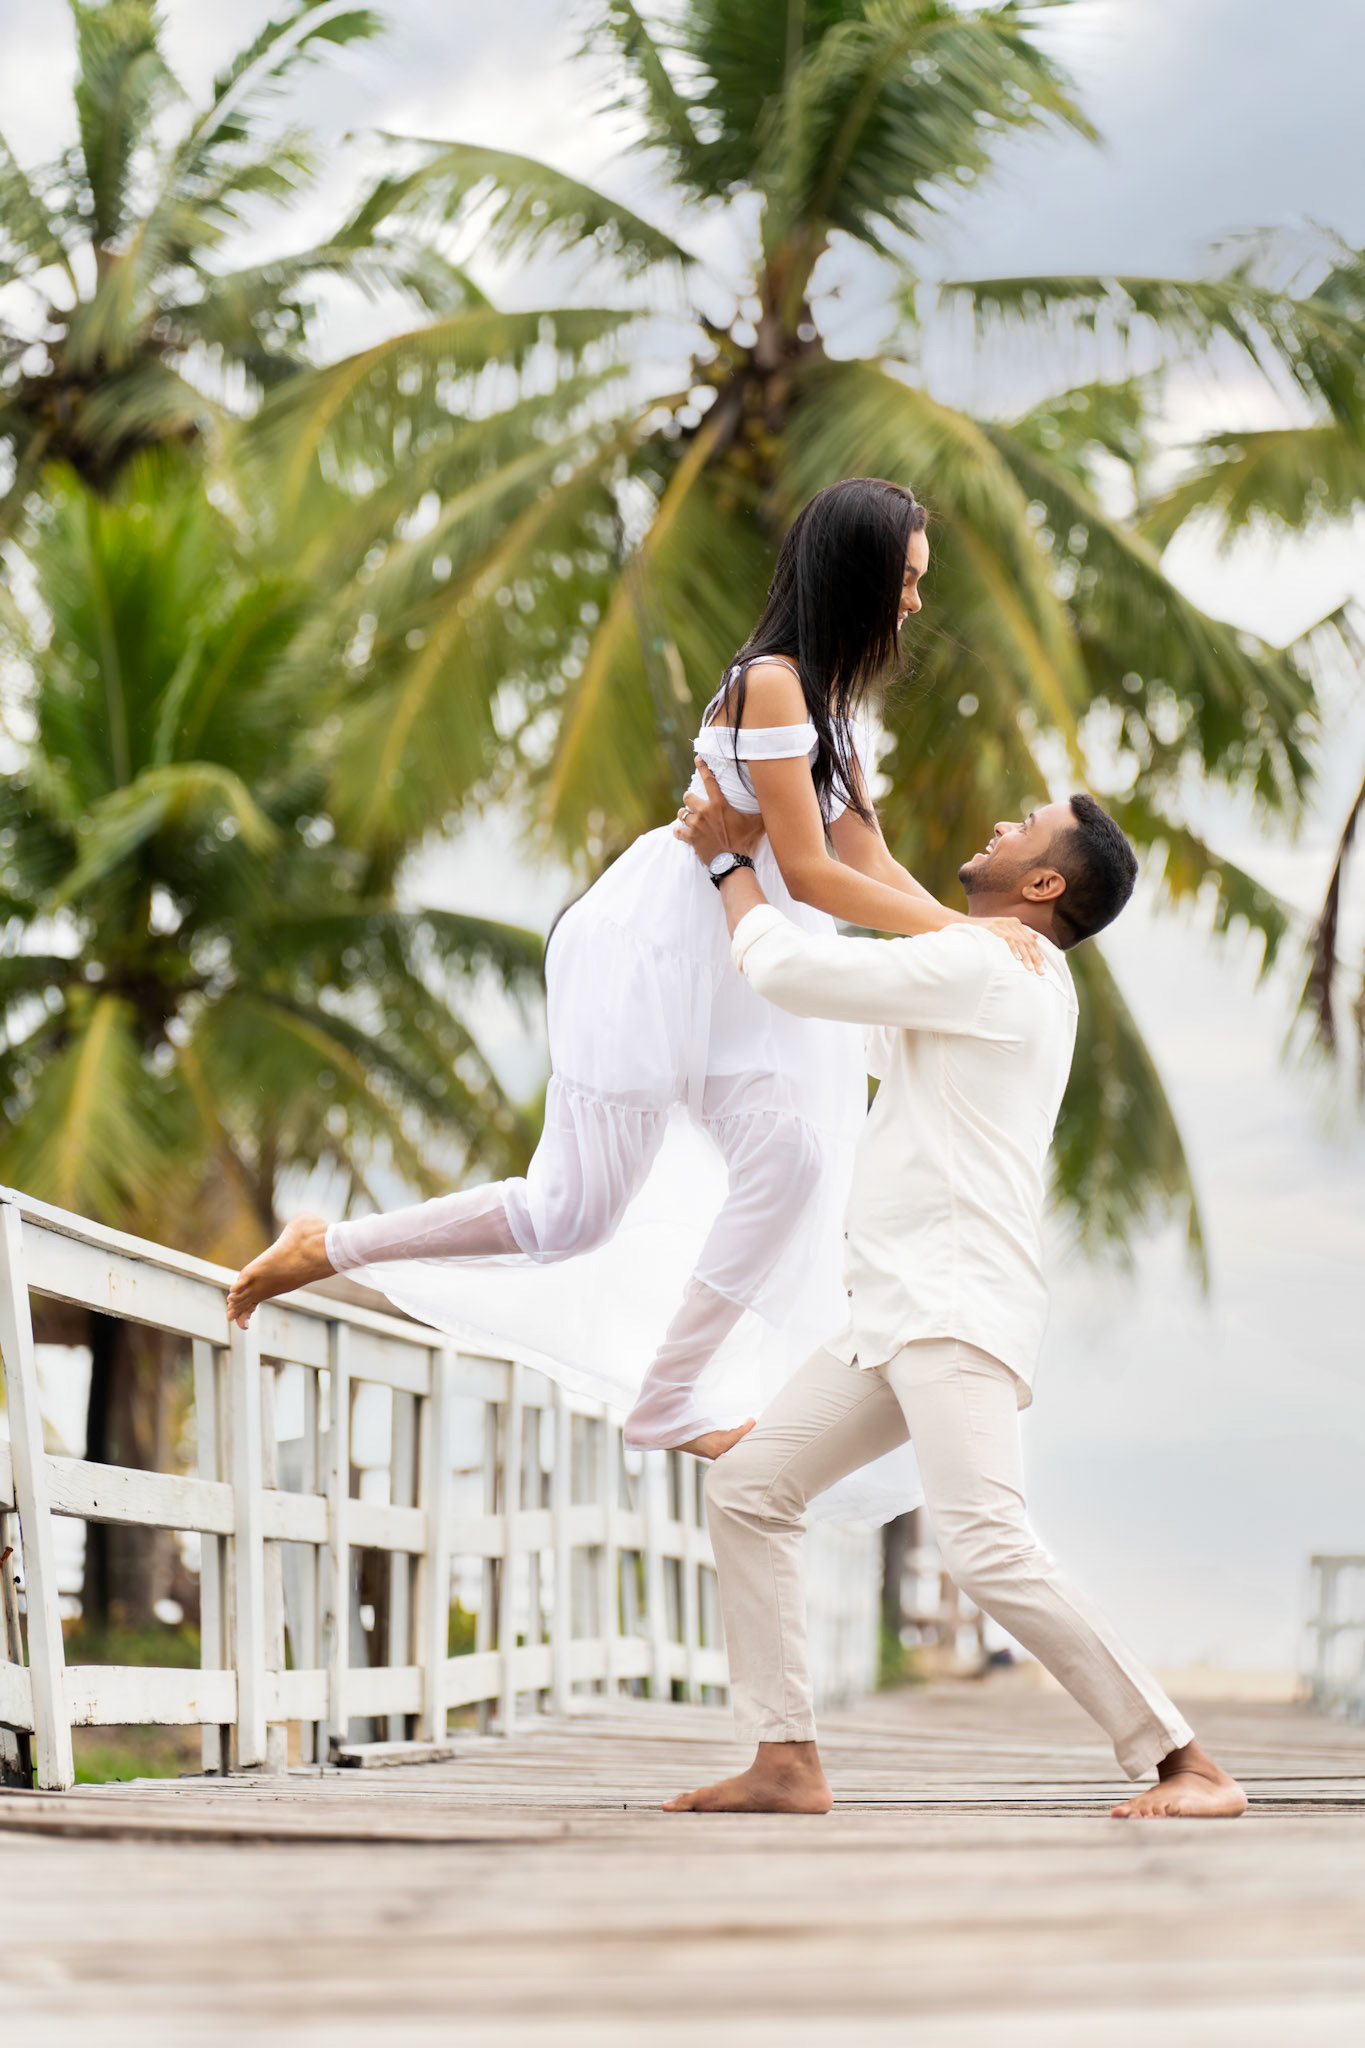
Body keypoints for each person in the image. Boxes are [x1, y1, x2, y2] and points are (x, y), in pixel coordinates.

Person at [225, 477, 1041, 1462]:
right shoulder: (771, 682)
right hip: (658, 954)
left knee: (791, 1159)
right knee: (569, 1213)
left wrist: (962, 937)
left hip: (741, 976)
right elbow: (818, 873)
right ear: (860, 573)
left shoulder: (827, 704)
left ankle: (666, 1398)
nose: (914, 601)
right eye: (905, 579)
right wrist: (974, 940)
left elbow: (866, 854)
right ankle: (328, 1245)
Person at [661, 768, 1248, 1820]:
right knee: (751, 1487)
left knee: (987, 1542)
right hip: (895, 1308)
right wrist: (835, 792)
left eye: (1027, 827)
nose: (1000, 823)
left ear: (1040, 888)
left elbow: (791, 972)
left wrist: (726, 861)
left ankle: (1187, 1760)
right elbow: (888, 902)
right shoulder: (995, 965)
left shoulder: (991, 969)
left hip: (953, 1304)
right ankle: (786, 1755)